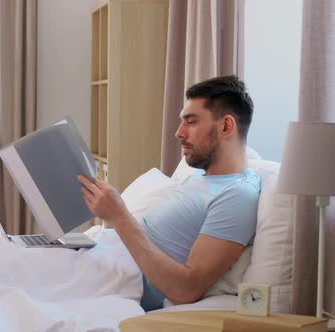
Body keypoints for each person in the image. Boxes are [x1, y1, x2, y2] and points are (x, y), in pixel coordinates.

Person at [77, 75, 261, 311]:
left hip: (115, 282)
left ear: (226, 126)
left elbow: (187, 289)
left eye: (191, 122)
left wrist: (118, 215)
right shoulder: (198, 178)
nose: (179, 133)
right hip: (100, 260)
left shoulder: (238, 195)